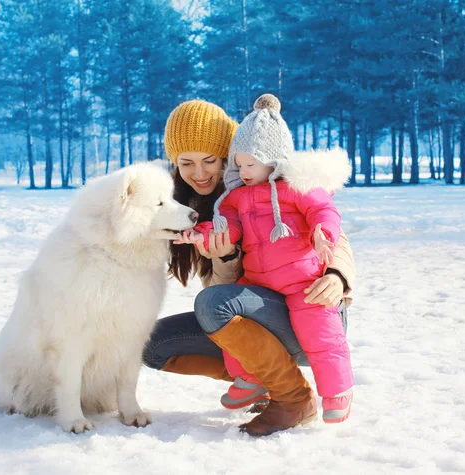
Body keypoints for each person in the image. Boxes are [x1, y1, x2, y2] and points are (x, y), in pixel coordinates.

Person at [142, 97, 356, 436]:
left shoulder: (274, 185)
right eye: (186, 163)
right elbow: (220, 294)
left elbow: (332, 235)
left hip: (313, 303)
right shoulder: (193, 209)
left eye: (210, 161)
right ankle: (264, 380)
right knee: (153, 343)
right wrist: (224, 257)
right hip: (256, 305)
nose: (199, 173)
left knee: (214, 305)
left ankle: (293, 398)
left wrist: (335, 275)